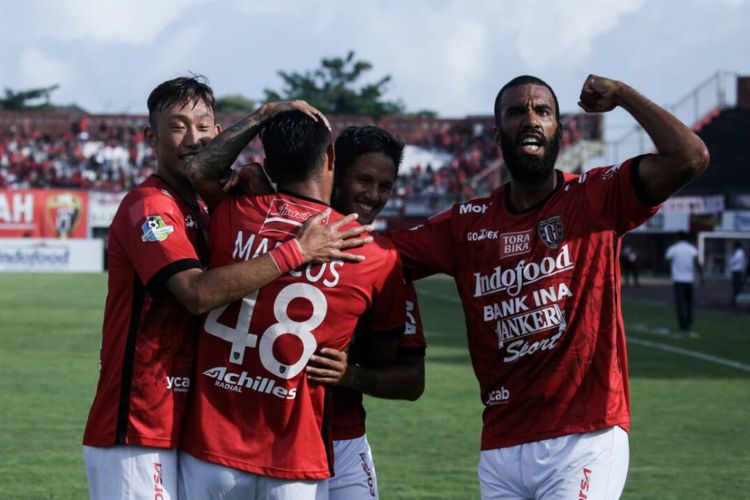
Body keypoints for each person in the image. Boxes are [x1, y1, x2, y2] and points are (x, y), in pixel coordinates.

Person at [388, 74, 709, 499]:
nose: (531, 119)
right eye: (517, 112)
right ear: (497, 132)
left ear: (560, 129)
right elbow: (381, 257)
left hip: (584, 436)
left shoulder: (596, 197)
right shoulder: (467, 223)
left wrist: (624, 95)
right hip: (501, 445)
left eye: (543, 111)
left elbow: (689, 157)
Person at [81, 77, 371, 500]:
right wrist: (298, 249)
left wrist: (260, 188)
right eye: (178, 126)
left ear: (219, 134)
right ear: (150, 137)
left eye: (203, 126)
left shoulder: (204, 207)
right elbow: (196, 294)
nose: (193, 138)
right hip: (137, 423)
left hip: (183, 423)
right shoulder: (151, 206)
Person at [178, 111, 407, 500]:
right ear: (331, 158)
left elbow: (199, 169)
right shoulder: (373, 254)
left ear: (267, 164)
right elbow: (388, 356)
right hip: (294, 459)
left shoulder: (233, 209)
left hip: (211, 447)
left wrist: (264, 116)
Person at [304, 125, 427, 500]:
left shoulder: (385, 263)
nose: (374, 195)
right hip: (274, 437)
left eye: (385, 186)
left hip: (344, 438)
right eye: (363, 179)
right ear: (334, 171)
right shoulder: (283, 238)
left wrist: (351, 376)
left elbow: (412, 380)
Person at [665, 231, 701, 335]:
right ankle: (689, 322)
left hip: (678, 279)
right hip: (689, 279)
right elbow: (697, 262)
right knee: (689, 302)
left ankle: (683, 324)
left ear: (678, 237)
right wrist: (701, 276)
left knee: (680, 303)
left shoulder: (674, 248)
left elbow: (667, 260)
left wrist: (670, 270)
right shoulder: (691, 249)